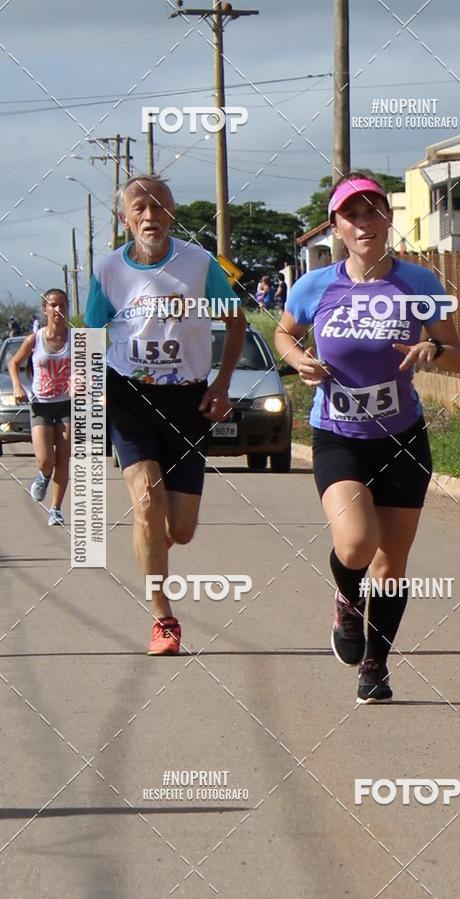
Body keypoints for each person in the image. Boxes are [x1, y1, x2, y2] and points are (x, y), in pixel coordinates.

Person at [274, 172, 460, 703]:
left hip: (402, 438)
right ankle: (346, 599)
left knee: (391, 564)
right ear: (335, 227)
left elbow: (457, 353)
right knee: (357, 543)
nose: (364, 224)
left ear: (388, 218)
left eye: (373, 212)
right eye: (351, 215)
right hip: (338, 436)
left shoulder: (419, 283)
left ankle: (375, 666)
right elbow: (285, 332)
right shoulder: (315, 286)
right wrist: (298, 358)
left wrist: (432, 350)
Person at [85, 174, 246, 656]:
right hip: (129, 398)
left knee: (180, 529)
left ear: (172, 214)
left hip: (187, 401)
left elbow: (235, 322)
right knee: (146, 501)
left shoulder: (199, 264)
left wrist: (221, 385)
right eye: (139, 207)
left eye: (159, 206)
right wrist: (93, 392)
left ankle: (149, 542)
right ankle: (163, 618)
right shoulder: (109, 270)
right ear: (125, 219)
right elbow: (91, 335)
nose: (150, 215)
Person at [8, 289, 71, 526]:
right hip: (41, 405)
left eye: (62, 305)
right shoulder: (35, 339)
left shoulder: (77, 339)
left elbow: (91, 367)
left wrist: (83, 382)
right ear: (45, 309)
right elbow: (14, 362)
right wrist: (17, 386)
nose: (58, 309)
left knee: (63, 458)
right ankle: (43, 475)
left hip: (67, 404)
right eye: (53, 305)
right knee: (46, 460)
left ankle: (55, 509)